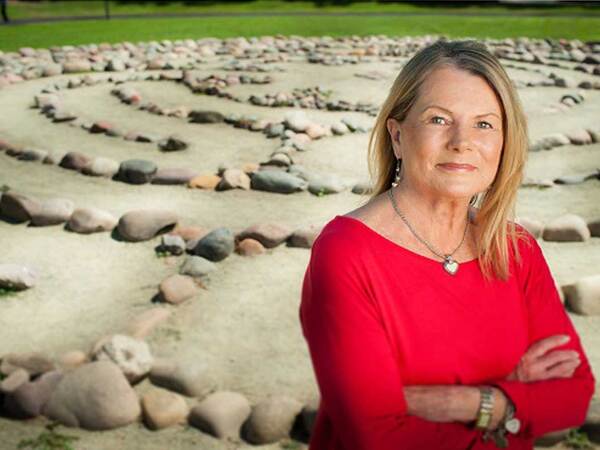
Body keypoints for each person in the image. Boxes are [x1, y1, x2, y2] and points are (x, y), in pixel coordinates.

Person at [299, 40, 595, 450]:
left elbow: (574, 394)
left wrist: (469, 401)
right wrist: (515, 400)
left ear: (505, 143)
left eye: (485, 124)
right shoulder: (346, 253)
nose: (462, 141)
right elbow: (377, 437)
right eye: (439, 119)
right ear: (397, 135)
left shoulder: (516, 248)